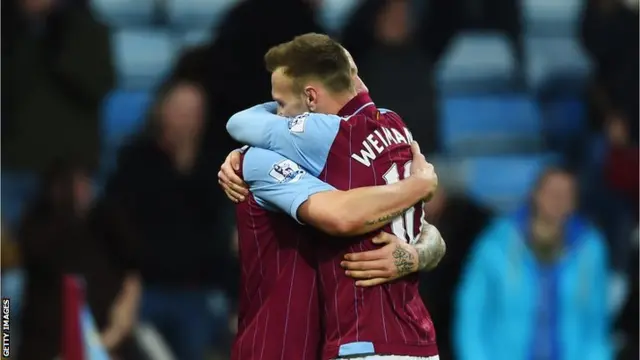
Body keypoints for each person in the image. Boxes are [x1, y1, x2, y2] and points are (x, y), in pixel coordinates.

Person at [220, 33, 441, 359]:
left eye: (281, 104)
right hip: (285, 347)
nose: (279, 116)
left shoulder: (328, 140)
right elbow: (347, 216)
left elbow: (349, 217)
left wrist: (417, 255)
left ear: (310, 98)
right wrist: (418, 188)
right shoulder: (396, 126)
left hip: (359, 344)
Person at [104, 79, 235, 360]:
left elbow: (221, 233)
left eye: (195, 111)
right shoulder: (136, 160)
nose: (187, 119)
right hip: (145, 287)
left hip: (199, 291)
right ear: (161, 111)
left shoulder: (217, 167)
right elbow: (116, 222)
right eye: (180, 110)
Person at [454, 167, 611, 360]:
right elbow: (472, 312)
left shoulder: (590, 248)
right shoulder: (496, 243)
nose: (558, 200)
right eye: (552, 192)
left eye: (566, 194)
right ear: (535, 194)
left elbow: (596, 322)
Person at [17, 161, 141, 360]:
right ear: (56, 189)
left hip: (106, 343)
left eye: (87, 182)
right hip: (50, 347)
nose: (85, 190)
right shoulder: (38, 229)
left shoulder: (107, 225)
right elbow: (6, 319)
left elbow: (133, 269)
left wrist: (109, 338)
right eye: (75, 184)